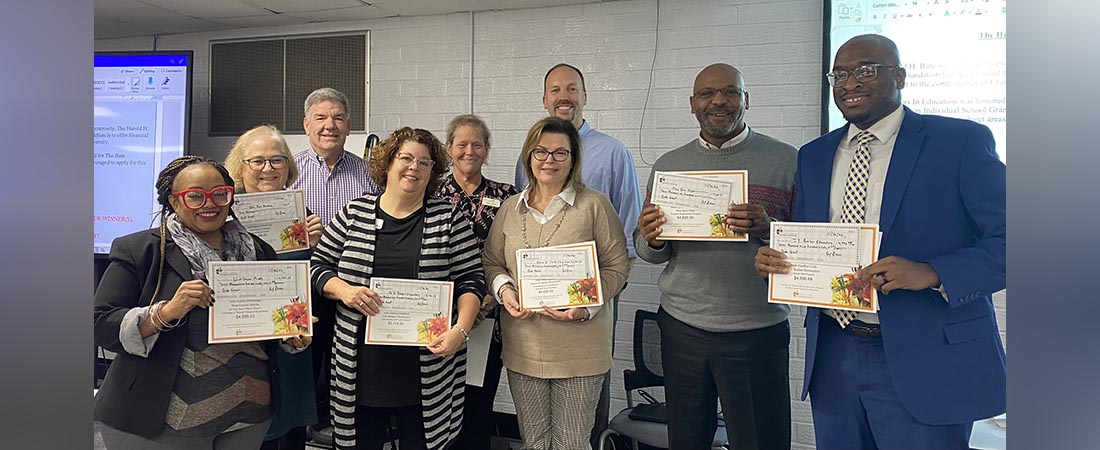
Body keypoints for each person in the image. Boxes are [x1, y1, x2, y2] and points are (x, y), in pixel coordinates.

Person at [754, 34, 1006, 450]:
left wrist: (932, 273)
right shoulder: (814, 155)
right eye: (840, 74)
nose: (849, 83)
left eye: (865, 71)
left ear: (900, 76)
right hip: (834, 353)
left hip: (927, 355)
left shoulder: (958, 142)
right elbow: (811, 238)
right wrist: (779, 259)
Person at [93, 156, 309, 449]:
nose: (210, 204)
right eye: (195, 196)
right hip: (160, 421)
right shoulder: (141, 250)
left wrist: (291, 336)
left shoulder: (259, 249)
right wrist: (166, 311)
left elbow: (268, 330)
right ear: (174, 201)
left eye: (220, 194)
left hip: (248, 415)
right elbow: (99, 324)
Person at [634, 63, 797, 450]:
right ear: (692, 104)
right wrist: (652, 239)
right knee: (686, 439)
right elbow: (650, 252)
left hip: (756, 330)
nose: (718, 101)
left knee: (761, 440)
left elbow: (812, 249)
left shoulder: (787, 161)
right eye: (707, 94)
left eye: (729, 92)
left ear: (746, 100)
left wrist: (767, 227)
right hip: (682, 326)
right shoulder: (668, 166)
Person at [310, 127, 486, 450]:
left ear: (433, 171)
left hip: (427, 369)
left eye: (425, 162)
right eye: (406, 158)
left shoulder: (447, 218)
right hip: (361, 369)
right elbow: (317, 267)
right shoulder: (354, 213)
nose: (414, 168)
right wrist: (345, 291)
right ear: (388, 163)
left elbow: (472, 279)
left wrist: (460, 330)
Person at [514, 62, 643, 445]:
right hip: (535, 307)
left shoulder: (613, 151)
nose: (563, 97)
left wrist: (599, 298)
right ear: (544, 99)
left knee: (585, 402)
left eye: (571, 89)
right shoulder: (532, 155)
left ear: (584, 96)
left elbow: (629, 230)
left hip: (591, 297)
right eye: (555, 90)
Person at [484, 117, 631, 450]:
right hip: (524, 347)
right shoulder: (510, 208)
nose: (549, 160)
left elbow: (617, 265)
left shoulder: (594, 205)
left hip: (580, 349)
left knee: (573, 443)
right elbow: (492, 262)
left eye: (559, 153)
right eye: (541, 152)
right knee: (534, 442)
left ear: (573, 159)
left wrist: (587, 305)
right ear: (529, 156)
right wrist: (505, 291)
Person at [288, 87, 381, 443]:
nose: (330, 125)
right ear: (307, 124)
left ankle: (339, 429)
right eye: (322, 118)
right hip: (302, 284)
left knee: (345, 362)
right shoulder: (289, 173)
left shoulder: (368, 174)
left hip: (352, 286)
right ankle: (301, 429)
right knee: (304, 363)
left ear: (349, 125)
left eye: (338, 118)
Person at [224, 125, 325, 450]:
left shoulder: (303, 218)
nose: (268, 169)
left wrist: (317, 247)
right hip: (243, 339)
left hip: (290, 339)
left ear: (289, 166)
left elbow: (318, 280)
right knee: (247, 430)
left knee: (290, 430)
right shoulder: (221, 215)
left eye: (277, 160)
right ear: (241, 167)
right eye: (257, 161)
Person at [435, 114, 519, 450]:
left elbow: (515, 255)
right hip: (439, 318)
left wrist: (488, 301)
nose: (469, 150)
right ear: (449, 148)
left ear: (486, 149)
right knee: (440, 405)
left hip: (489, 316)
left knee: (478, 405)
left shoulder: (508, 196)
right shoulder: (431, 191)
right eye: (462, 144)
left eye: (477, 144)